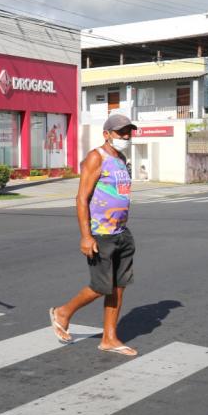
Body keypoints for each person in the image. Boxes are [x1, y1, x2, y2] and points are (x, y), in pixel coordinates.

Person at [49, 113, 138, 356]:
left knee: (118, 287)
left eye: (129, 131)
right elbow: (81, 198)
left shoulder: (120, 158)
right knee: (101, 286)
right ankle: (63, 312)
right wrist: (86, 236)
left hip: (121, 233)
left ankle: (109, 338)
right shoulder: (95, 157)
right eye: (121, 132)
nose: (126, 136)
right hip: (101, 234)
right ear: (107, 134)